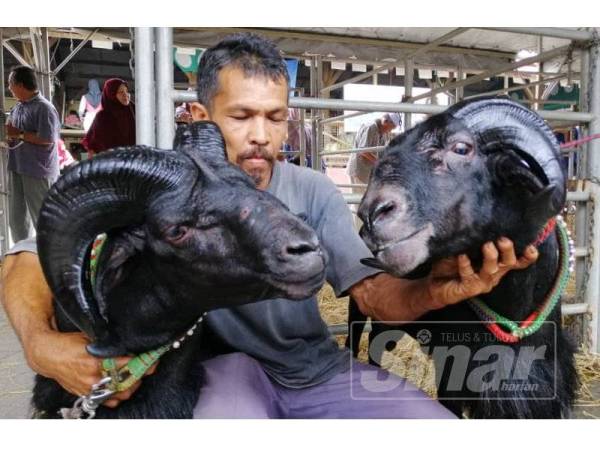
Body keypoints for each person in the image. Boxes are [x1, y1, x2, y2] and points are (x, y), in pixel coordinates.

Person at [0, 33, 538, 418]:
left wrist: (442, 290)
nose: (262, 134)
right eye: (241, 116)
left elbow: (374, 297)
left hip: (315, 371)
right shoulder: (161, 190)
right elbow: (29, 257)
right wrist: (40, 346)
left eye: (276, 117)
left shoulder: (312, 190)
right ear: (204, 112)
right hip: (224, 370)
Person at [3, 65, 60, 242]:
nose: (9, 88)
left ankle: (50, 261)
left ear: (20, 84)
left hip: (37, 171)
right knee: (17, 219)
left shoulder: (45, 108)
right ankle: (22, 255)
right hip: (17, 167)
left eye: (10, 84)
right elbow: (12, 133)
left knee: (42, 220)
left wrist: (18, 134)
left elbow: (48, 138)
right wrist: (8, 138)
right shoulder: (18, 107)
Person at [82, 78, 135, 158]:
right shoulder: (102, 117)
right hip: (111, 165)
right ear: (111, 94)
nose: (125, 94)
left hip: (135, 163)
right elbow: (92, 147)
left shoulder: (135, 112)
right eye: (120, 92)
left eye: (126, 91)